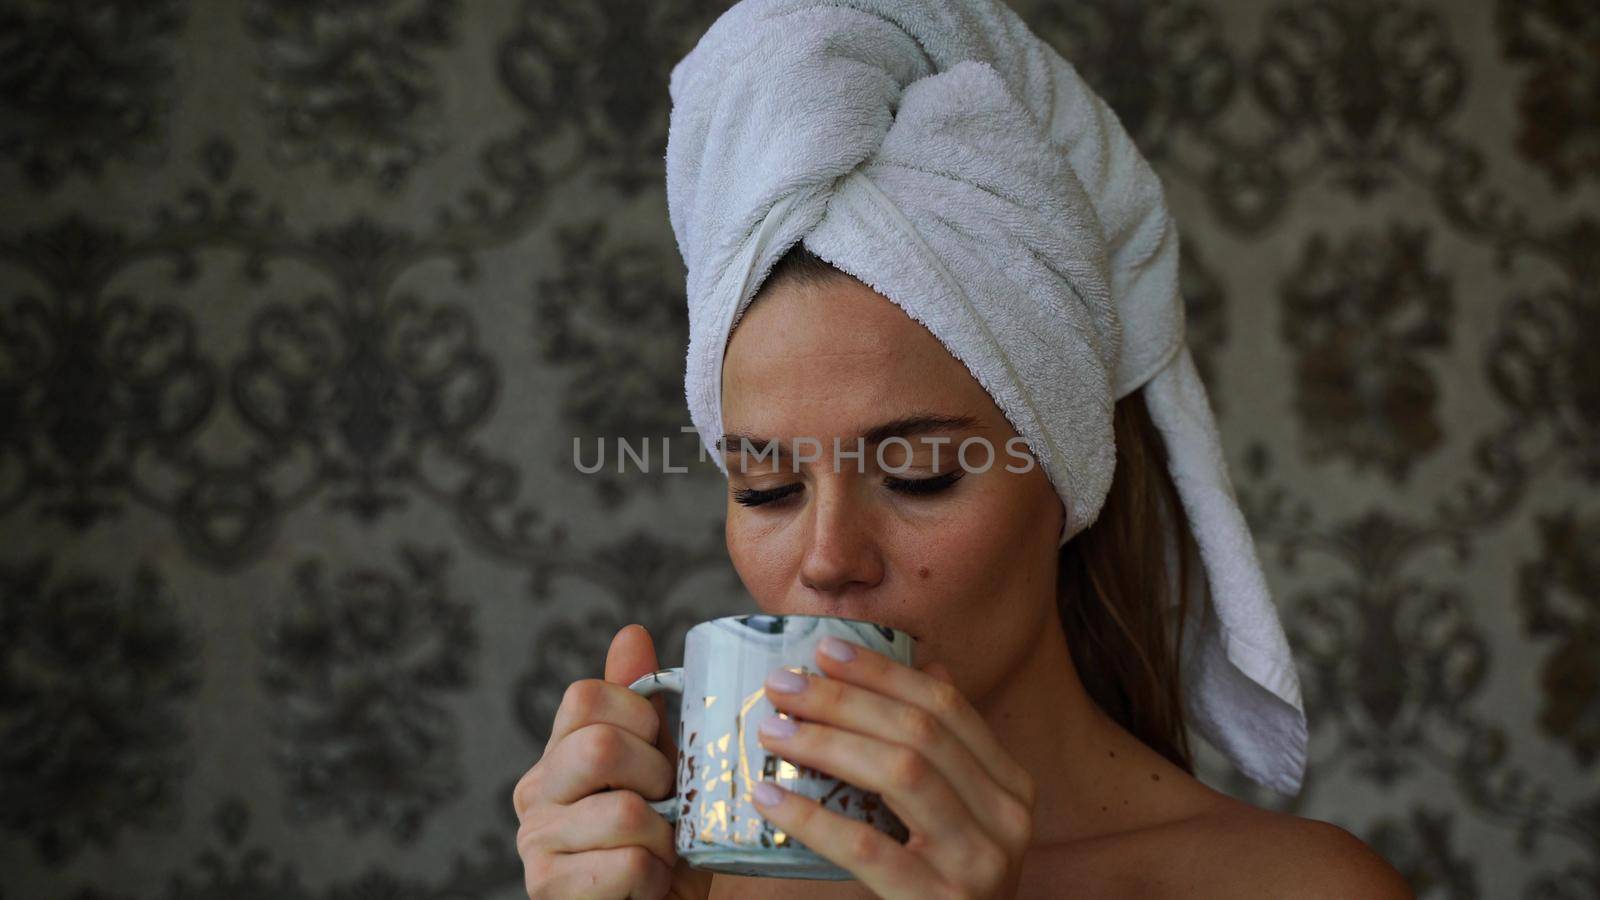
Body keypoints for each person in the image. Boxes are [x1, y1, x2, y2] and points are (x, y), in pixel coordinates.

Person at [515, 0, 1414, 894]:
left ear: (1063, 478)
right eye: (766, 487)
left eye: (920, 475)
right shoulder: (688, 883)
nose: (828, 561)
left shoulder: (1295, 886)